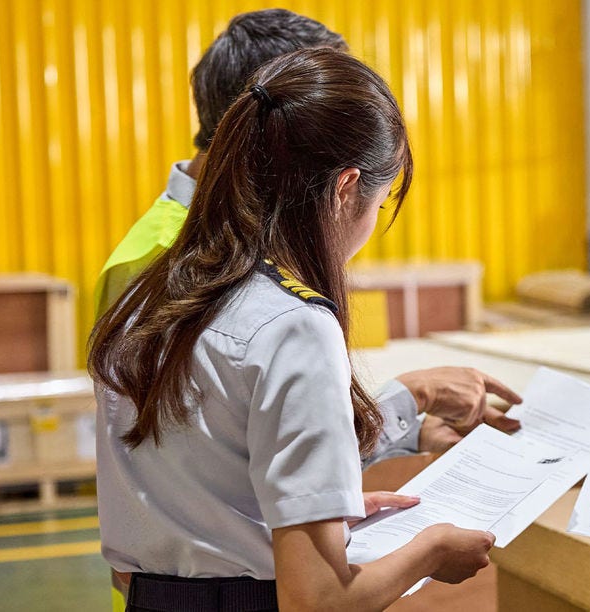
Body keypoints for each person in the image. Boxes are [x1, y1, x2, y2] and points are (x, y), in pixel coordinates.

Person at [91, 48, 496, 611]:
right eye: (380, 203)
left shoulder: (150, 293)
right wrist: (431, 552)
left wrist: (315, 511)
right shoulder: (293, 325)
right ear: (346, 188)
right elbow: (319, 602)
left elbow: (205, 483)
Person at [93, 8, 519, 464]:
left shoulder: (230, 236)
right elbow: (217, 457)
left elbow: (261, 429)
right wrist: (407, 399)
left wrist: (402, 425)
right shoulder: (173, 258)